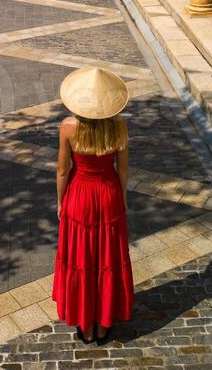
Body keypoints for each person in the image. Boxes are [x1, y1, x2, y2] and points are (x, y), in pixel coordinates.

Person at [52, 66, 134, 344]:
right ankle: (103, 324)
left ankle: (86, 327)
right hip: (108, 193)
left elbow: (63, 171)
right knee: (106, 258)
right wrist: (122, 198)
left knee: (82, 259)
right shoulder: (119, 126)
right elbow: (122, 169)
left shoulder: (68, 127)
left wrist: (61, 202)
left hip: (80, 196)